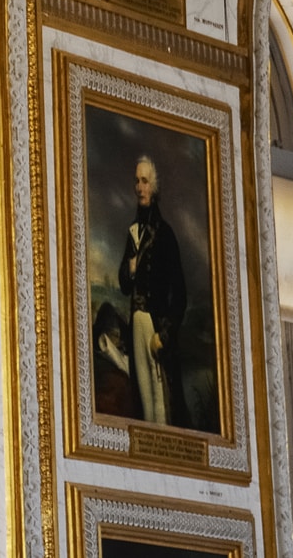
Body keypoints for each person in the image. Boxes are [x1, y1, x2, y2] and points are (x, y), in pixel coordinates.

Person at [116, 155, 188, 428]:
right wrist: (131, 268)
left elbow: (179, 294)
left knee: (162, 401)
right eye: (137, 181)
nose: (139, 188)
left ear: (154, 187)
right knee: (144, 399)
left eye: (145, 181)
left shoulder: (165, 234)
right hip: (137, 324)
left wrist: (164, 335)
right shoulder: (133, 232)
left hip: (155, 327)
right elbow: (124, 285)